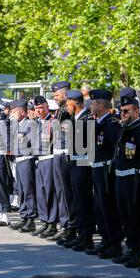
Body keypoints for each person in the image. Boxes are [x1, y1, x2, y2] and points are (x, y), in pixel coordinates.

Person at [112, 87, 140, 268]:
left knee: (135, 217)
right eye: (121, 111)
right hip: (122, 178)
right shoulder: (124, 129)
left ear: (136, 111)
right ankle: (130, 249)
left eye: (126, 111)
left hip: (135, 180)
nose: (123, 114)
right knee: (124, 217)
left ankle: (137, 253)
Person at [86, 89, 124, 259]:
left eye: (93, 103)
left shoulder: (111, 123)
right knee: (100, 208)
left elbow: (118, 148)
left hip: (106, 171)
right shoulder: (98, 122)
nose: (91, 106)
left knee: (108, 208)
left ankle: (114, 244)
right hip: (97, 168)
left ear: (101, 105)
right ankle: (105, 240)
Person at [63, 89, 96, 251]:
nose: (66, 108)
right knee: (76, 201)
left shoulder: (86, 119)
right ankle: (79, 233)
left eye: (68, 104)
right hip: (73, 163)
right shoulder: (74, 119)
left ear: (74, 105)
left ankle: (86, 237)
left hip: (83, 165)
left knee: (83, 201)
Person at [50, 81, 76, 242]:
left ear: (65, 94)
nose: (54, 97)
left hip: (68, 156)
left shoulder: (71, 112)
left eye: (56, 94)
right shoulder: (61, 111)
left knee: (68, 194)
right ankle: (65, 224)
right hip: (58, 154)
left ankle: (71, 227)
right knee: (60, 193)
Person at [9, 99, 38, 232]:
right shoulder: (18, 124)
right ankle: (24, 216)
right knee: (21, 190)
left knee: (28, 190)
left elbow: (34, 145)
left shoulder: (30, 124)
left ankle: (30, 219)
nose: (12, 114)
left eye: (14, 111)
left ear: (21, 112)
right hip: (19, 160)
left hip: (26, 160)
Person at [32, 95, 58, 238]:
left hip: (49, 159)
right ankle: (44, 221)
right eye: (36, 108)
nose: (38, 110)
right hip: (38, 160)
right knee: (40, 193)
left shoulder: (52, 122)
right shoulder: (35, 123)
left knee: (49, 192)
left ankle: (52, 223)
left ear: (47, 107)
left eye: (41, 108)